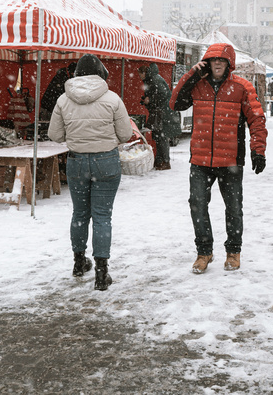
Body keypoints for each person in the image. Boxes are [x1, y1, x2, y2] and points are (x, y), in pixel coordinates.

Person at [170, 44, 267, 274]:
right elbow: (175, 103)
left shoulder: (241, 87)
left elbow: (256, 119)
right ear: (207, 63)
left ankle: (234, 251)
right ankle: (204, 251)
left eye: (222, 61)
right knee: (197, 205)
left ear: (229, 64)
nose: (217, 64)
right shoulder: (197, 86)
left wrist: (258, 150)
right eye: (213, 60)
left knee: (233, 208)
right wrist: (192, 75)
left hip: (230, 161)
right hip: (200, 161)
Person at [48, 54, 131, 291]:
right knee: (102, 216)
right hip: (106, 161)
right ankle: (102, 272)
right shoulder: (113, 99)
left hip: (76, 162)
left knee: (80, 214)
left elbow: (55, 135)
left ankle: (78, 262)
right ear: (101, 73)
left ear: (76, 74)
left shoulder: (64, 100)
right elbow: (125, 134)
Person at [138, 63, 180, 170]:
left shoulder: (154, 79)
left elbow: (163, 95)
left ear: (144, 72)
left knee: (162, 137)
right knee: (158, 136)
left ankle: (165, 162)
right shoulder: (153, 79)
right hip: (160, 112)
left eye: (140, 74)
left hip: (163, 113)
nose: (140, 77)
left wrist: (150, 100)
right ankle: (160, 160)